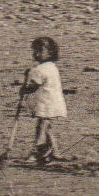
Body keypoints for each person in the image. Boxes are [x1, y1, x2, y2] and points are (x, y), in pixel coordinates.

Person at [20, 36, 66, 164]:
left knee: (42, 127)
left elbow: (34, 86)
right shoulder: (52, 67)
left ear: (50, 53)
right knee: (47, 127)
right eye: (34, 50)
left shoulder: (40, 70)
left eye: (40, 51)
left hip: (46, 104)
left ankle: (37, 151)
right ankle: (55, 152)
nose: (36, 54)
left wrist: (24, 89)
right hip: (53, 102)